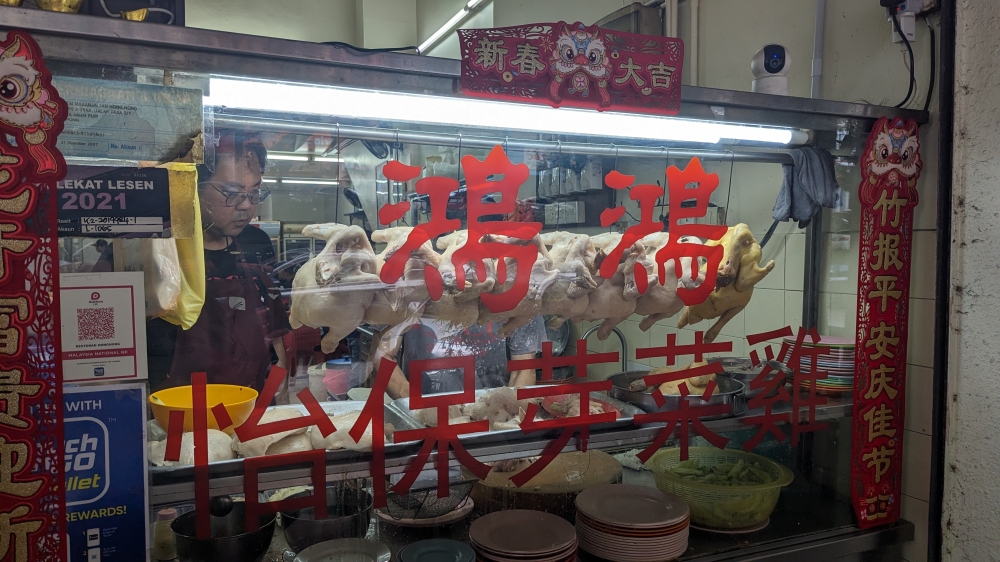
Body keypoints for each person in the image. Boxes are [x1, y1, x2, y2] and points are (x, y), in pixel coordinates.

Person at [145, 131, 290, 393]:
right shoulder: (158, 245)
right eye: (232, 193)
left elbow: (274, 331)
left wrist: (278, 398)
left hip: (251, 403)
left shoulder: (256, 243)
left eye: (255, 192)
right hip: (181, 408)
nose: (246, 205)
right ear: (194, 186)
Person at [385, 316, 543, 399]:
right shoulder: (415, 277)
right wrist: (413, 403)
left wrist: (508, 420)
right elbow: (383, 356)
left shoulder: (515, 286)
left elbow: (523, 370)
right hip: (420, 413)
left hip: (490, 411)